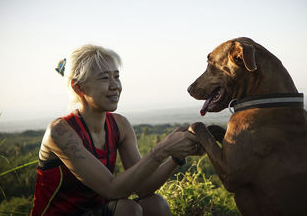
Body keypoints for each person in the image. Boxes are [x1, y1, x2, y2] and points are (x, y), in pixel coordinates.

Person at [31, 44, 200, 216]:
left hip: (98, 211)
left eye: (116, 77)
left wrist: (176, 155)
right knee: (128, 209)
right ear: (78, 87)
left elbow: (143, 188)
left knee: (156, 204)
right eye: (104, 78)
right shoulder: (61, 132)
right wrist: (162, 148)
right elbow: (112, 190)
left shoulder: (119, 125)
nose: (115, 86)